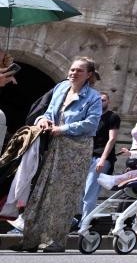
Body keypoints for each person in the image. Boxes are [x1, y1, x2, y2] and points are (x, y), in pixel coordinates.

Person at [14, 56, 102, 252]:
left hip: (76, 149)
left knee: (63, 194)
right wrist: (43, 120)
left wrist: (63, 129)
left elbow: (91, 124)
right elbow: (48, 112)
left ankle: (55, 241)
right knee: (42, 191)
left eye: (79, 70)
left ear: (88, 75)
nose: (73, 73)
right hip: (54, 145)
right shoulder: (61, 88)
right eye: (72, 69)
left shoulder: (93, 97)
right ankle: (30, 240)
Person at [81, 91, 121, 221]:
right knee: (82, 190)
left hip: (100, 157)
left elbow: (112, 139)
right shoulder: (91, 116)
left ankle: (85, 223)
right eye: (98, 100)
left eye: (103, 100)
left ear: (108, 102)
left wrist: (103, 159)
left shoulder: (112, 117)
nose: (100, 102)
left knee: (90, 191)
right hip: (87, 156)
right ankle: (81, 219)